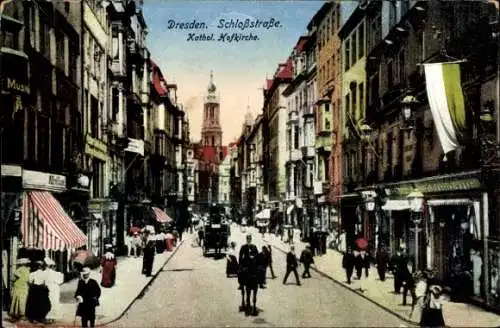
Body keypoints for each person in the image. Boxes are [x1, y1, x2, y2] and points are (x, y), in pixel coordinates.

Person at [238, 234, 259, 316]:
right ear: (246, 239)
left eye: (250, 238)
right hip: (246, 264)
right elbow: (240, 256)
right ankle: (241, 284)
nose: (249, 240)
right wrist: (241, 264)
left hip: (253, 263)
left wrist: (254, 257)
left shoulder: (254, 247)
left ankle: (261, 282)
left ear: (251, 239)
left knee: (260, 271)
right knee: (241, 272)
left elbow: (257, 255)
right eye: (248, 239)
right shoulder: (243, 247)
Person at [43, 258, 64, 323]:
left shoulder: (43, 273)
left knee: (47, 302)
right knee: (54, 302)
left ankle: (47, 316)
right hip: (54, 289)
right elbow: (60, 282)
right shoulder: (57, 274)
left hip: (46, 289)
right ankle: (52, 317)